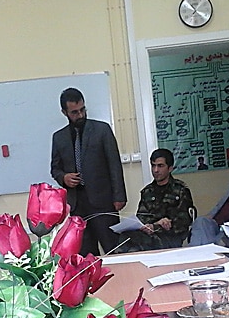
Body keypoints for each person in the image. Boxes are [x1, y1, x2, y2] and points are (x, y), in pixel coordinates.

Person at [51, 88, 127, 256]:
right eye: (74, 112)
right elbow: (55, 169)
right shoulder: (59, 137)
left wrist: (119, 196)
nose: (80, 115)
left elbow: (114, 164)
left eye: (82, 110)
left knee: (112, 249)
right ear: (64, 112)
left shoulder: (102, 130)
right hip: (77, 204)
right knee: (85, 254)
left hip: (103, 201)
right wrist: (64, 177)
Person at [116, 149, 194, 253]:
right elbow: (141, 217)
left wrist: (157, 226)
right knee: (126, 237)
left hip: (170, 237)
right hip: (148, 236)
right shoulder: (147, 191)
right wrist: (144, 226)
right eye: (153, 166)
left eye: (160, 166)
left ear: (170, 168)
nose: (155, 170)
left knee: (134, 243)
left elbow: (183, 222)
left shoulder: (180, 190)